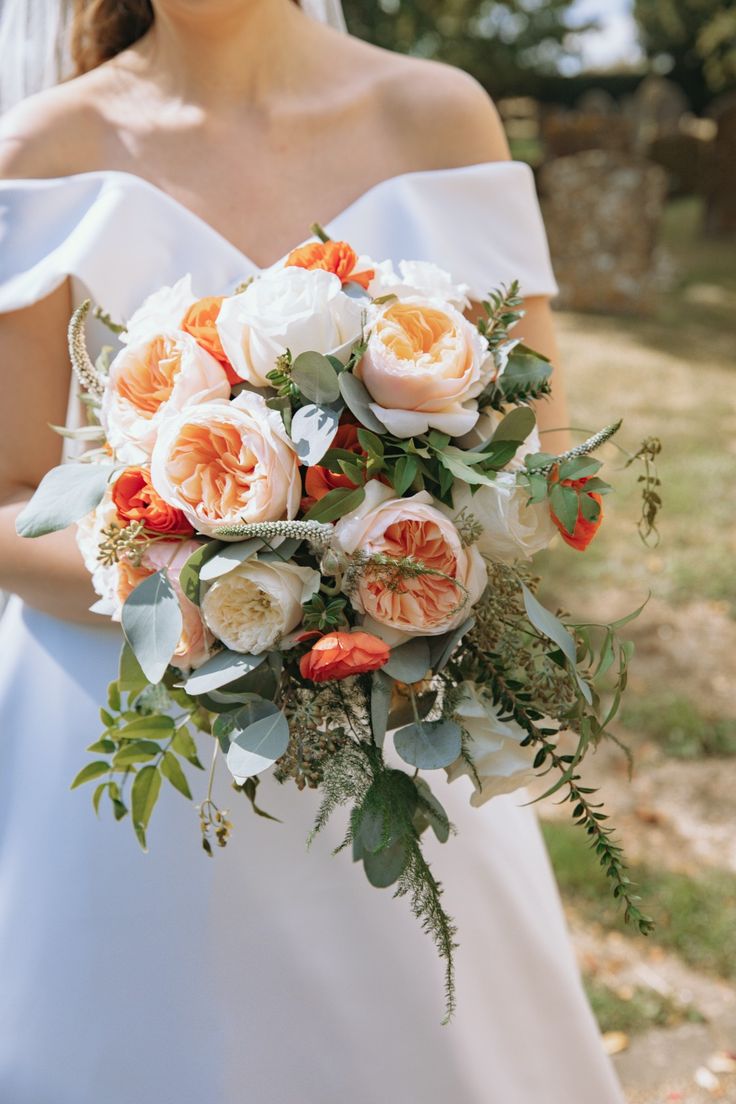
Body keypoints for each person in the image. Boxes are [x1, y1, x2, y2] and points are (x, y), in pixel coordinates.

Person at [0, 2, 624, 1101]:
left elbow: (553, 478)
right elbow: (9, 500)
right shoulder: (42, 149)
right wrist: (220, 585)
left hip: (394, 716)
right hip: (120, 735)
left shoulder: (437, 115)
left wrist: (377, 567)